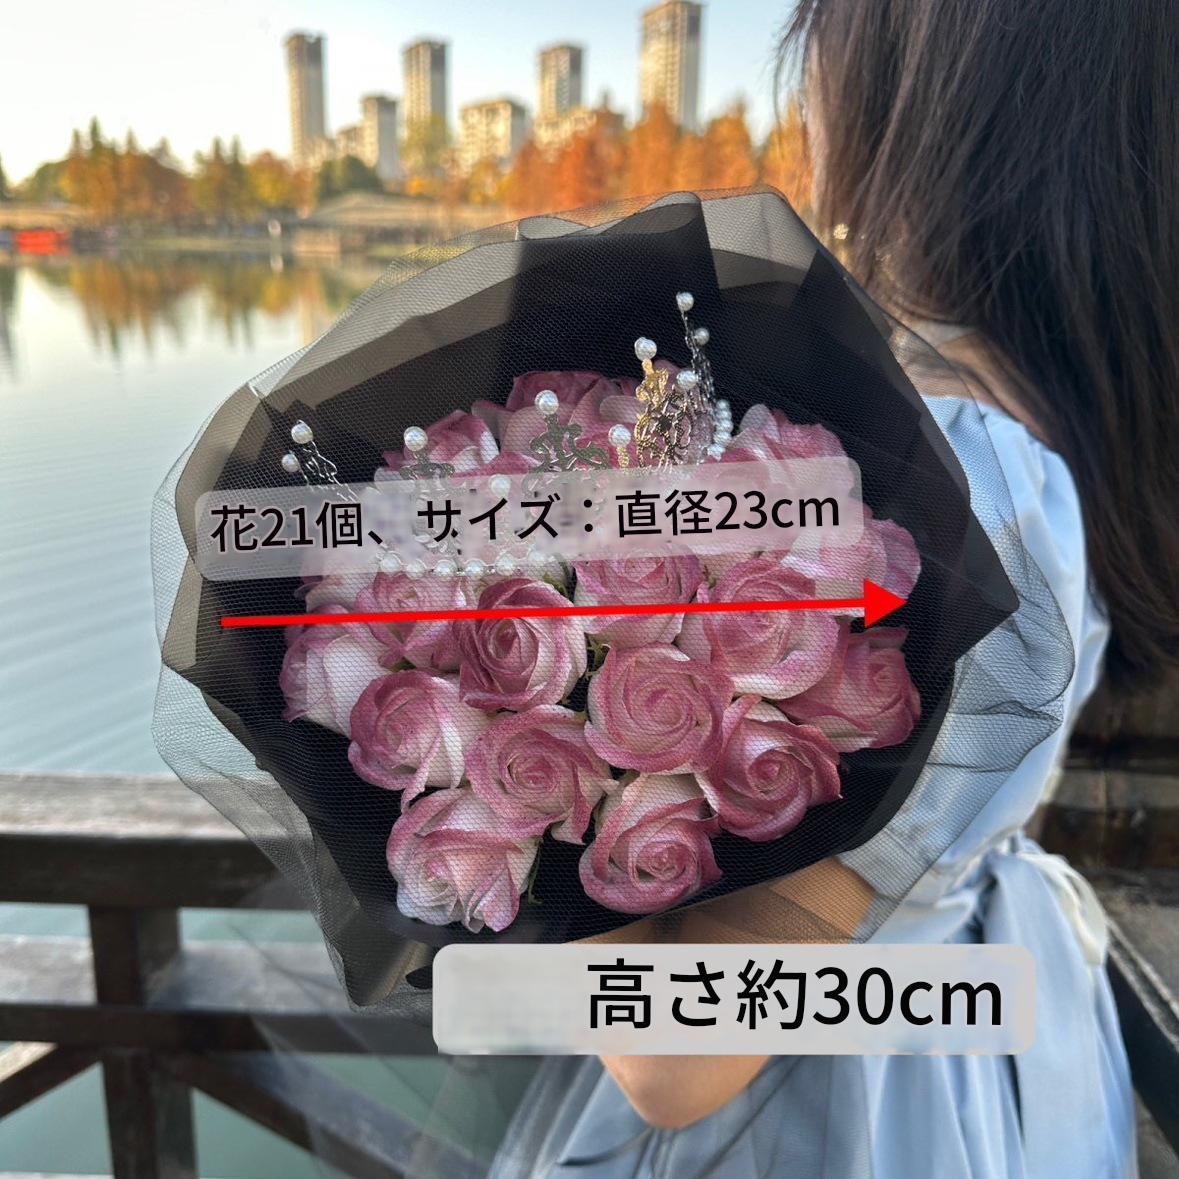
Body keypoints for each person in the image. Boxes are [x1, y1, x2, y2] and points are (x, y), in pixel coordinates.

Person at [490, 2, 1178, 1175]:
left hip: (842, 1094)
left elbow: (676, 1057)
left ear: (924, 109)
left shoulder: (956, 479)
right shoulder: (1043, 425)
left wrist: (511, 759)